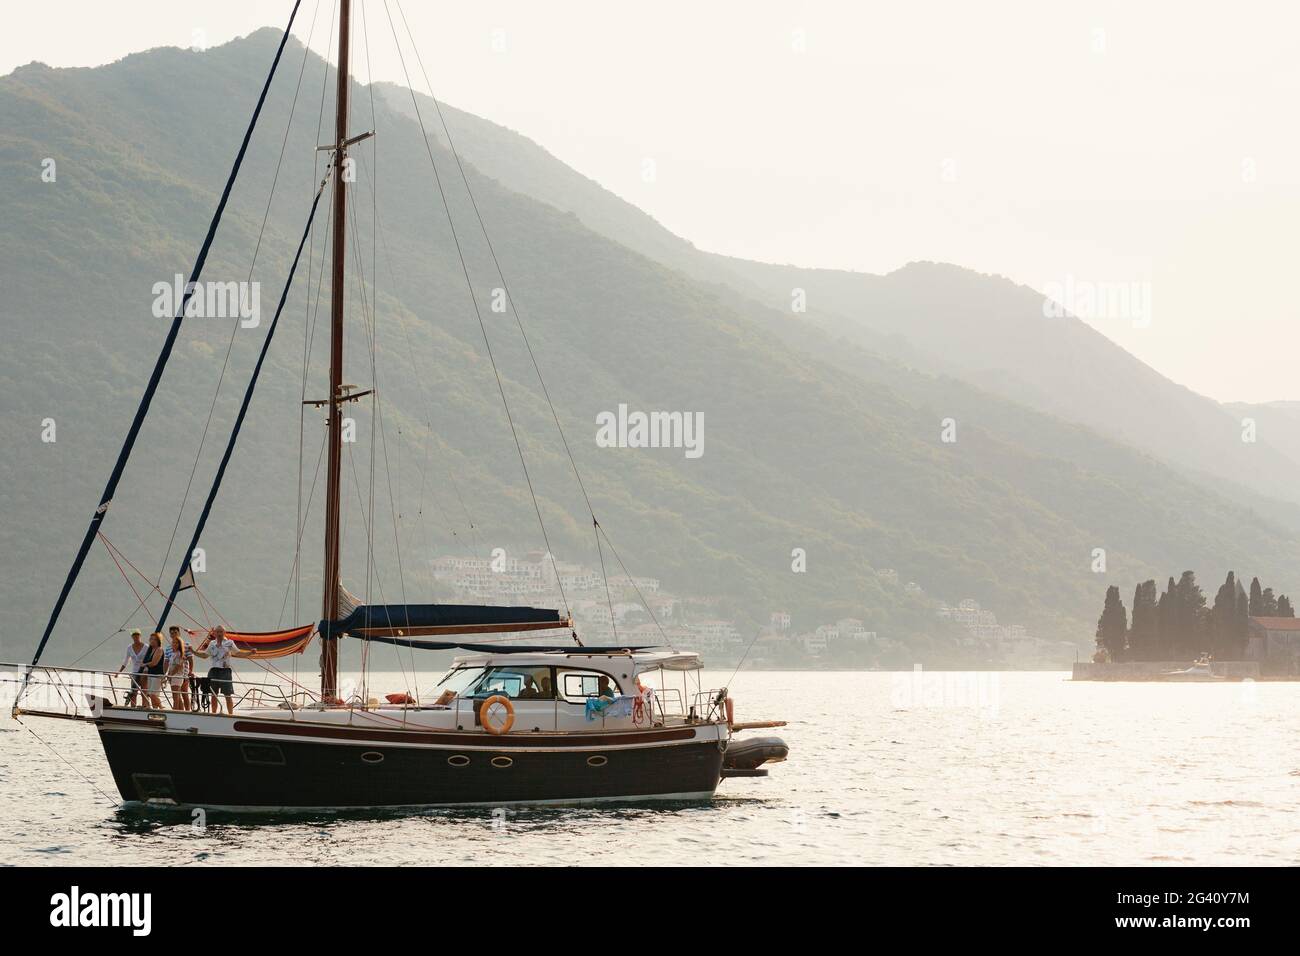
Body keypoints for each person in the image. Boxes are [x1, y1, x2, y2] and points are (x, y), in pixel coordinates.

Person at [192, 625, 251, 715]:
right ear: (214, 633)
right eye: (217, 632)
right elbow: (204, 655)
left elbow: (238, 653)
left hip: (225, 671)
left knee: (228, 694)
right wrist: (193, 652)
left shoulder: (229, 642)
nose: (219, 634)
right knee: (213, 695)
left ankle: (231, 714)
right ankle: (213, 714)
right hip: (214, 670)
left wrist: (250, 652)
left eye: (221, 632)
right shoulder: (212, 643)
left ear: (224, 633)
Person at [117, 628, 149, 708]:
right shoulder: (129, 647)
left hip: (144, 672)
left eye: (137, 635)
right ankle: (133, 707)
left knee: (144, 691)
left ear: (140, 636)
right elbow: (126, 661)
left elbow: (150, 660)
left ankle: (144, 706)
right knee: (133, 692)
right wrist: (119, 672)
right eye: (134, 635)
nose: (136, 637)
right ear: (132, 637)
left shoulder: (146, 647)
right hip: (134, 672)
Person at [165, 628, 190, 711]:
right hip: (173, 676)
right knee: (176, 696)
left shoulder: (180, 654)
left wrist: (170, 675)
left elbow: (178, 666)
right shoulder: (173, 654)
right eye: (173, 643)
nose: (174, 644)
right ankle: (181, 711)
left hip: (177, 676)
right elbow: (169, 664)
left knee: (176, 696)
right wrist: (168, 674)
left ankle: (176, 710)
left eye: (176, 643)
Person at [142, 632, 166, 710]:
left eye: (154, 639)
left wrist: (144, 664)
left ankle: (162, 708)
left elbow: (154, 663)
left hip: (157, 675)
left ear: (158, 641)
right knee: (150, 694)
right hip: (151, 674)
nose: (152, 641)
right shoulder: (151, 650)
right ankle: (155, 710)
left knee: (153, 694)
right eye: (151, 639)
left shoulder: (159, 649)